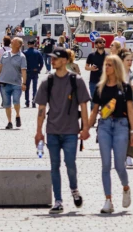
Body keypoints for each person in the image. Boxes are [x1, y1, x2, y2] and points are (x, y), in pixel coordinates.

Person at [34, 47, 91, 213]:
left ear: (65, 61)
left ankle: (74, 189)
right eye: (52, 58)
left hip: (71, 131)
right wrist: (39, 131)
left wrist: (85, 128)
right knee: (54, 165)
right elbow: (41, 109)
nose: (53, 61)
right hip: (52, 130)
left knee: (70, 163)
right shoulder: (47, 81)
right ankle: (58, 200)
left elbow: (84, 106)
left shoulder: (76, 81)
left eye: (56, 58)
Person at [86, 55, 133, 214]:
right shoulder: (100, 87)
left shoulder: (125, 87)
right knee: (106, 164)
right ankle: (108, 200)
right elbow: (94, 111)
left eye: (109, 65)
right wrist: (86, 129)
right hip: (104, 126)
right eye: (105, 65)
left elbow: (130, 110)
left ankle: (126, 187)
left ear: (116, 68)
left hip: (121, 125)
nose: (105, 67)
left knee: (119, 165)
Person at [0, 38, 27, 129]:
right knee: (7, 104)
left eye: (14, 41)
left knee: (16, 101)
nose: (11, 41)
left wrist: (24, 83)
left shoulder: (21, 57)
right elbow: (0, 66)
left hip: (16, 83)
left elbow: (23, 71)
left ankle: (17, 115)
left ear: (18, 45)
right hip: (4, 82)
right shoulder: (5, 54)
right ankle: (9, 122)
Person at [84, 38, 109, 104]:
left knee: (105, 103)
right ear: (96, 45)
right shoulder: (91, 55)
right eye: (100, 42)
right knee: (93, 103)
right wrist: (91, 68)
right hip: (93, 82)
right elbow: (86, 67)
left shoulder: (108, 56)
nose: (102, 43)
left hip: (105, 82)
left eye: (104, 42)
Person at [24, 40, 44, 108]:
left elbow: (22, 63)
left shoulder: (25, 53)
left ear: (28, 44)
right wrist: (38, 69)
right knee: (34, 88)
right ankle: (34, 102)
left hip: (27, 71)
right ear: (34, 44)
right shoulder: (38, 52)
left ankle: (27, 102)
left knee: (27, 87)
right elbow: (41, 63)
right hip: (35, 72)